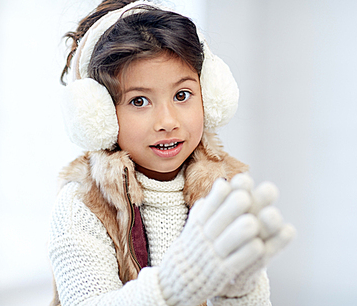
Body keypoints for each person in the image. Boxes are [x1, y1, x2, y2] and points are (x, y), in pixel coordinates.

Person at [48, 1, 296, 305]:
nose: (167, 122)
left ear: (209, 94)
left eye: (182, 95)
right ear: (99, 116)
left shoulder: (223, 190)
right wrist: (174, 285)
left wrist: (239, 290)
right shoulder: (82, 203)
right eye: (139, 101)